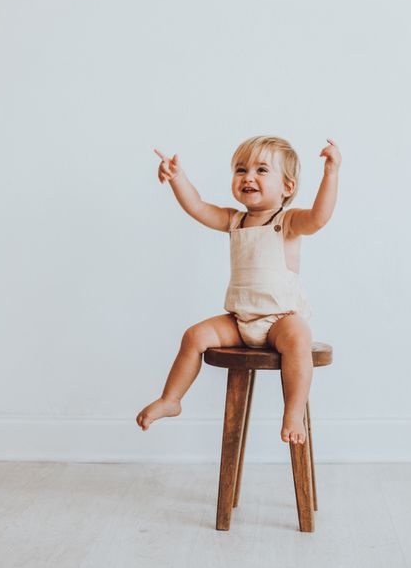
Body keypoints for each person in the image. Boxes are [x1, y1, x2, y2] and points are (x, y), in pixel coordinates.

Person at [136, 135, 341, 444]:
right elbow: (198, 207)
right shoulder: (235, 220)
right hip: (239, 320)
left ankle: (293, 411)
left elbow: (319, 218)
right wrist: (178, 178)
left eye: (261, 170)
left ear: (287, 187)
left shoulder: (286, 221)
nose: (248, 177)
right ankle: (171, 398)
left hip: (279, 320)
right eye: (241, 169)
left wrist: (331, 173)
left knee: (299, 337)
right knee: (194, 336)